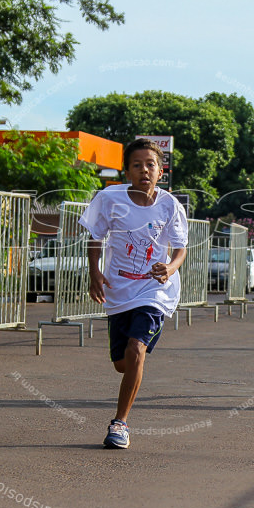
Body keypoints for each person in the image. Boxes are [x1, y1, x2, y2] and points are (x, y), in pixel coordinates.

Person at [80, 139, 188, 449]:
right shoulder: (110, 198)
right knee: (122, 362)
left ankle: (120, 424)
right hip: (119, 289)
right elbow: (95, 237)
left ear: (161, 171)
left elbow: (180, 249)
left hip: (155, 290)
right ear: (127, 170)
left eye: (150, 165)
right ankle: (134, 370)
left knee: (136, 349)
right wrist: (94, 272)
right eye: (137, 165)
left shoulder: (170, 205)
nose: (144, 170)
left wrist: (169, 268)